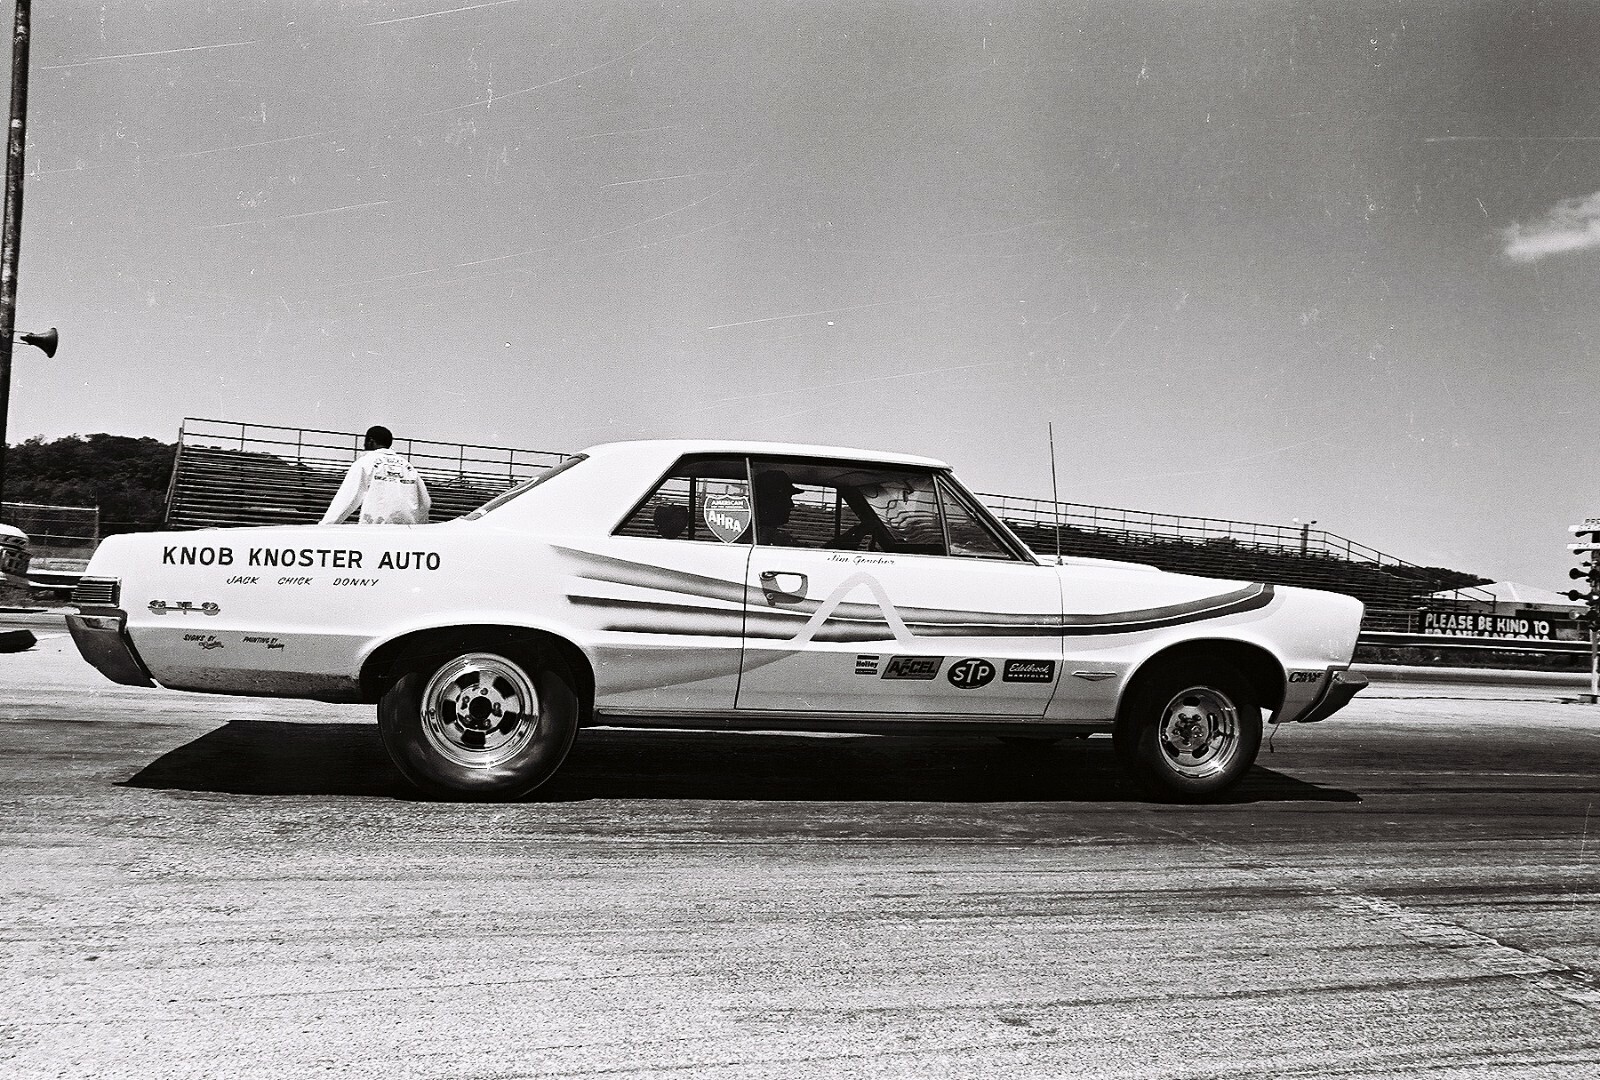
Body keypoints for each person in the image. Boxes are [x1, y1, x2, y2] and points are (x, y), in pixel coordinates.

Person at [320, 426, 432, 525]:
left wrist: (325, 526)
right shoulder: (408, 466)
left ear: (371, 441)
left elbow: (347, 498)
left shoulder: (365, 462)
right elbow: (425, 502)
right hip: (406, 532)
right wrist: (418, 528)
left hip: (375, 531)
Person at [753, 469, 802, 546]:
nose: (791, 504)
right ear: (770, 499)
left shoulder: (775, 537)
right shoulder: (756, 538)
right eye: (787, 497)